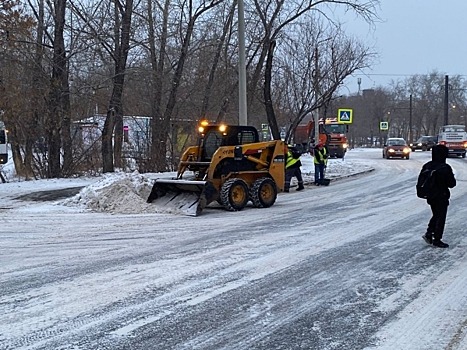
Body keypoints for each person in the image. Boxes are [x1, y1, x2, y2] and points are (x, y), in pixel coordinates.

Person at [421, 144, 456, 248]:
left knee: (436, 214)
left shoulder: (427, 165)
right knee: (441, 217)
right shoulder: (445, 167)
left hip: (430, 196)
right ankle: (437, 239)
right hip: (441, 195)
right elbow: (452, 184)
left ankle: (429, 233)